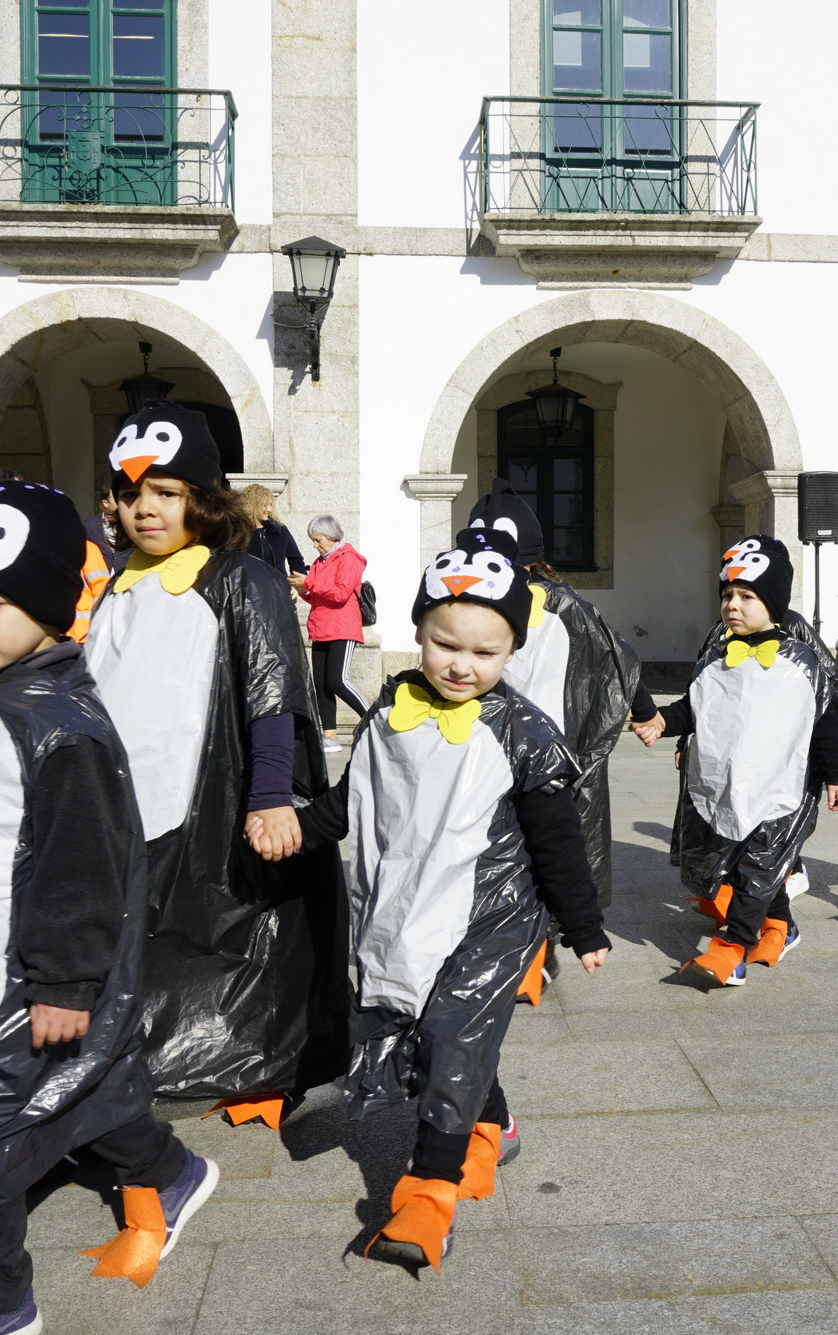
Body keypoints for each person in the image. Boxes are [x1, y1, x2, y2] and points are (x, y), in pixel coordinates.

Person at [0, 481, 215, 1334]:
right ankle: (171, 1174)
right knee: (83, 1100)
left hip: (15, 974)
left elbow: (81, 864)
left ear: (51, 604)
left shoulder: (59, 722)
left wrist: (65, 979)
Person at [259, 527, 606, 1270]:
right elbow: (358, 797)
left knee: (451, 1038)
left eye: (485, 652)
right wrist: (299, 825)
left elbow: (557, 842)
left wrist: (582, 924)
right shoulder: (391, 710)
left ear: (512, 652)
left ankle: (428, 1194)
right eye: (446, 644)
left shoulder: (524, 734)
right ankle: (495, 1125)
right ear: (419, 633)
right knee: (433, 1036)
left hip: (493, 918)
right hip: (411, 905)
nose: (462, 664)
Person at [82, 402, 346, 1127]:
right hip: (131, 802)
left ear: (202, 498)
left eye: (165, 492)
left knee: (246, 935)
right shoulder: (117, 584)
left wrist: (271, 794)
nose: (146, 509)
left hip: (221, 800)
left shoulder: (240, 579)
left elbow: (272, 694)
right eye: (132, 493)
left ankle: (262, 1060)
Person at [460, 480, 654, 998]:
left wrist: (646, 713)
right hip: (487, 744)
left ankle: (538, 954)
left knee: (545, 846)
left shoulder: (564, 606)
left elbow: (619, 660)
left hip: (549, 752)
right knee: (498, 848)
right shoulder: (473, 598)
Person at [632, 536, 838, 987]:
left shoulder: (803, 661)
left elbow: (825, 720)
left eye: (747, 597)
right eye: (728, 595)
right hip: (727, 780)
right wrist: (661, 723)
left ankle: (732, 950)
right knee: (735, 863)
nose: (733, 604)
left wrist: (836, 775)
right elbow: (695, 706)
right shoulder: (716, 654)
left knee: (759, 864)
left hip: (782, 784)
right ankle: (781, 926)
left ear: (773, 604)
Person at [299, 513, 368, 754]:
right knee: (321, 684)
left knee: (337, 680)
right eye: (313, 541)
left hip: (343, 626)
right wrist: (301, 589)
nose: (315, 545)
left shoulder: (349, 559)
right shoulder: (320, 562)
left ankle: (371, 718)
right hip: (321, 627)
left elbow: (340, 593)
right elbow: (317, 595)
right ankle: (330, 736)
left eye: (318, 540)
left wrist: (309, 584)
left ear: (331, 536)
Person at [241, 484, 309, 580]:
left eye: (270, 504)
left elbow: (296, 560)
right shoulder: (239, 533)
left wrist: (297, 586)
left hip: (278, 591)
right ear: (253, 505)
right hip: (250, 592)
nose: (269, 509)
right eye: (265, 505)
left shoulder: (279, 530)